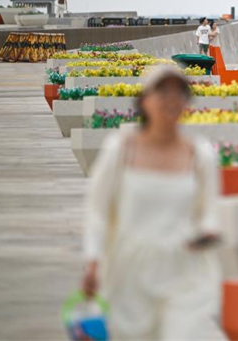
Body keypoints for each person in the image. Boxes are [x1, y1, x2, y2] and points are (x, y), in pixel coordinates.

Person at [82, 67, 221, 340]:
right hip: (129, 270)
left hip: (184, 269)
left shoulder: (200, 153)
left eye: (179, 92)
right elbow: (97, 210)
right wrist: (93, 260)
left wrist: (206, 230)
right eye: (162, 91)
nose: (171, 99)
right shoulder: (121, 149)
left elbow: (209, 209)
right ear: (144, 100)